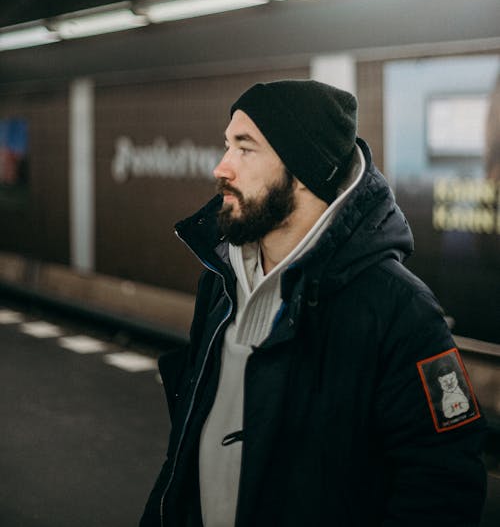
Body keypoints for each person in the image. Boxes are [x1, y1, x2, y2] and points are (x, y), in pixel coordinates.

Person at [140, 79, 487, 527]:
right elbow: (185, 448)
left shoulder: (400, 312)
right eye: (227, 145)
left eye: (245, 149)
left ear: (304, 170)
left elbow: (442, 485)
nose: (221, 167)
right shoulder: (221, 283)